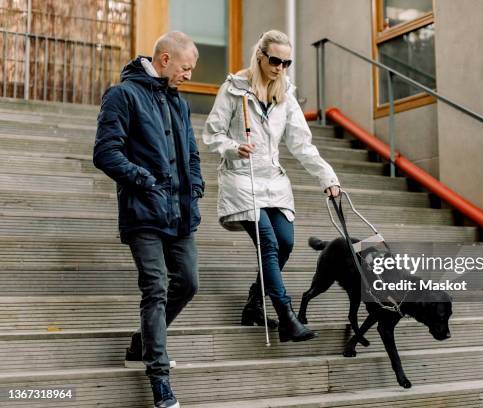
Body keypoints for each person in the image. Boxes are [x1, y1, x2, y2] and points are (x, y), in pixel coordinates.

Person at [202, 30, 340, 343]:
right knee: (268, 243)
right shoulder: (234, 89)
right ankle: (286, 316)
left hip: (273, 181)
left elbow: (302, 144)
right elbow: (211, 134)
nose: (280, 67)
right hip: (241, 177)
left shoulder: (286, 96)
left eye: (286, 62)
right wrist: (234, 147)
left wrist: (328, 177)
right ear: (261, 57)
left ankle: (253, 304)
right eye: (275, 60)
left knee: (286, 243)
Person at [93, 31, 203, 408]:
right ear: (165, 60)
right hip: (143, 212)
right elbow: (106, 153)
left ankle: (141, 343)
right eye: (186, 68)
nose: (190, 75)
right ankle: (159, 380)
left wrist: (197, 187)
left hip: (181, 213)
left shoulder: (180, 103)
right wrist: (145, 180)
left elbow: (192, 154)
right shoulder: (122, 95)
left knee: (187, 283)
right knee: (155, 288)